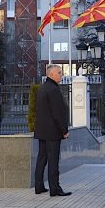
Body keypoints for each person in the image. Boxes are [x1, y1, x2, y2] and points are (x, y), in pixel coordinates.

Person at [34, 64, 71, 196]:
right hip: (52, 132)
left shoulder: (42, 88)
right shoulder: (54, 89)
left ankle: (39, 186)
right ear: (51, 75)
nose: (62, 75)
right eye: (59, 73)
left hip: (41, 131)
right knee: (53, 160)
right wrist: (64, 130)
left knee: (41, 159)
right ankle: (55, 188)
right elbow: (58, 113)